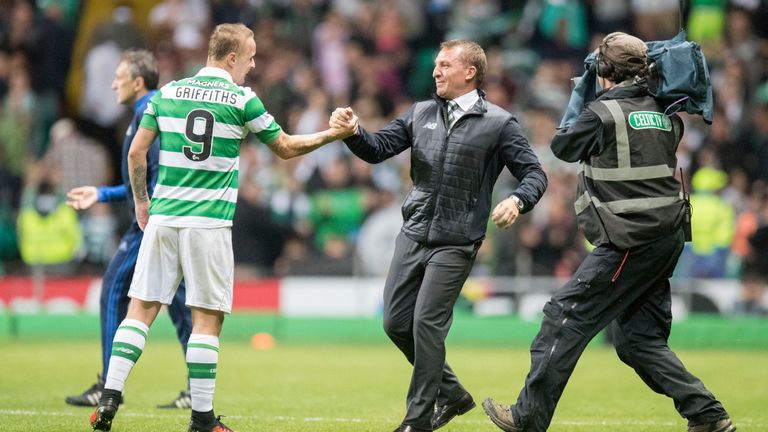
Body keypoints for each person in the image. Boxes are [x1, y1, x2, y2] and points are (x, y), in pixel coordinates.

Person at [89, 23, 355, 432]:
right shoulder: (241, 99)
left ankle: (110, 396)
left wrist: (142, 204)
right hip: (208, 224)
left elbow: (138, 151)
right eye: (249, 57)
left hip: (163, 219)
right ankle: (202, 420)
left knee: (141, 309)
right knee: (206, 319)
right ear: (231, 57)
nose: (252, 64)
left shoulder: (169, 93)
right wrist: (333, 134)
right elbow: (285, 147)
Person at [482, 32, 735, 432]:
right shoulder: (667, 115)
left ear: (602, 73)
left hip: (629, 239)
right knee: (639, 342)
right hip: (664, 236)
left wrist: (581, 94)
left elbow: (564, 146)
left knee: (563, 316)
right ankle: (708, 415)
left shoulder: (601, 114)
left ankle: (528, 419)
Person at [330, 39, 547, 432]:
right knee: (396, 323)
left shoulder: (499, 123)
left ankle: (417, 422)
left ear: (470, 73)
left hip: (456, 240)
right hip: (412, 233)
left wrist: (517, 201)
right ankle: (453, 393)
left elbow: (535, 174)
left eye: (445, 64)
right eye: (436, 64)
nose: (436, 71)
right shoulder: (419, 113)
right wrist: (352, 131)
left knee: (426, 325)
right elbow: (378, 148)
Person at [65, 49, 194, 410]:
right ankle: (194, 391)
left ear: (138, 82)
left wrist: (143, 212)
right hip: (174, 219)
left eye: (119, 77)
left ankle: (109, 386)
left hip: (150, 223)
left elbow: (151, 181)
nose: (112, 83)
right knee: (181, 304)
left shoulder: (148, 114)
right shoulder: (153, 110)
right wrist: (102, 192)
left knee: (113, 289)